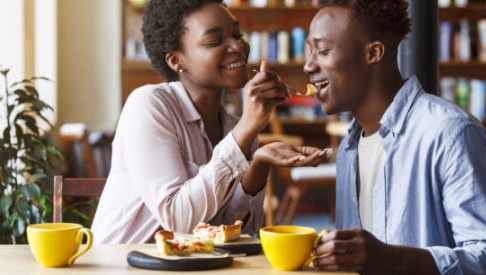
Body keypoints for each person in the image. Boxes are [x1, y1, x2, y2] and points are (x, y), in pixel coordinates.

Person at [304, 0, 486, 274]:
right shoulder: (350, 147)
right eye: (309, 51)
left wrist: (393, 260)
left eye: (322, 50)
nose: (308, 66)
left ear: (373, 53)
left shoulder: (451, 134)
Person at [92, 0, 330, 244]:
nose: (238, 46)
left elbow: (231, 232)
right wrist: (246, 128)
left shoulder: (233, 126)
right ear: (176, 61)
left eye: (238, 35)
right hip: (121, 263)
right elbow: (179, 221)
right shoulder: (148, 105)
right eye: (215, 41)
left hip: (188, 266)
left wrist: (259, 163)